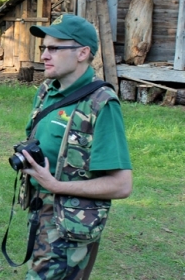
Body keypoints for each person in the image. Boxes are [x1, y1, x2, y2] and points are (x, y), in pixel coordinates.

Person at [20, 14, 133, 279]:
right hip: (42, 213)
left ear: (82, 53)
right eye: (44, 48)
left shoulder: (102, 104)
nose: (45, 55)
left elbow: (121, 184)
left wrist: (56, 185)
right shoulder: (47, 91)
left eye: (55, 48)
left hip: (72, 224)